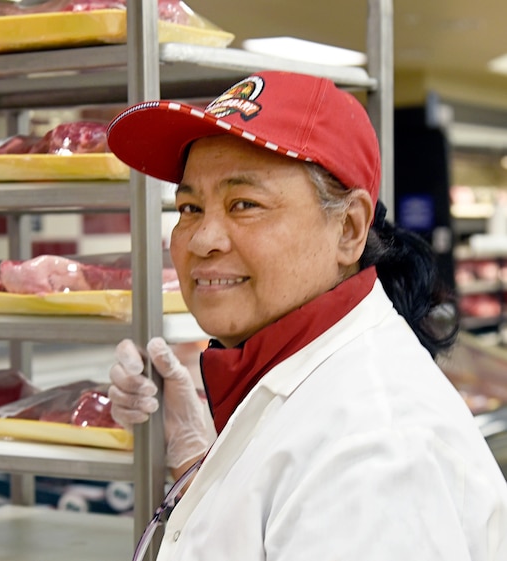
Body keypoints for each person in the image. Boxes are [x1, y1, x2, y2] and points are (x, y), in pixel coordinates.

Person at [105, 70, 507, 560]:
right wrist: (198, 458)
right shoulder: (301, 373)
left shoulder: (376, 453)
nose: (203, 239)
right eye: (189, 208)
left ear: (349, 228)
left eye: (244, 204)